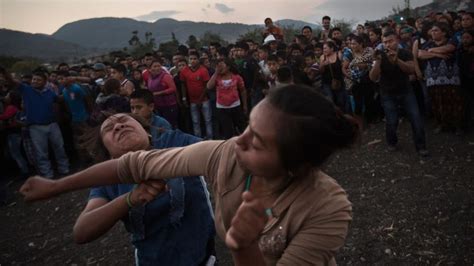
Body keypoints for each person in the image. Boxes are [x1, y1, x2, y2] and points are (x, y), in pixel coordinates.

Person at [21, 85, 357, 265]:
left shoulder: (327, 208)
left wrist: (242, 247)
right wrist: (56, 186)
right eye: (247, 126)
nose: (238, 141)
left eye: (257, 141)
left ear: (294, 166)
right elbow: (133, 165)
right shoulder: (224, 156)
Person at [74, 113, 215, 265]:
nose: (118, 126)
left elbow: (218, 153)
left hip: (205, 260)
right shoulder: (108, 181)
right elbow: (81, 231)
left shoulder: (175, 141)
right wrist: (130, 199)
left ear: (146, 132)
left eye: (124, 120)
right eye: (109, 128)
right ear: (109, 154)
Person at [369, 30, 429, 157]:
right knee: (392, 120)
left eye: (390, 41)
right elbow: (373, 78)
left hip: (406, 91)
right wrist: (378, 62)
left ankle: (421, 146)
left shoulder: (405, 53)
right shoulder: (380, 56)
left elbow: (411, 70)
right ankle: (391, 142)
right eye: (385, 42)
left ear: (397, 40)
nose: (388, 45)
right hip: (387, 93)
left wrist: (397, 61)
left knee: (416, 118)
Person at [18, 71, 70, 178]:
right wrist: (4, 73)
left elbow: (59, 99)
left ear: (45, 82)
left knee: (59, 147)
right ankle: (48, 175)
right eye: (34, 79)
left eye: (38, 80)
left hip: (52, 124)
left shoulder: (49, 92)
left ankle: (64, 169)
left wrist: (68, 89)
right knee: (41, 153)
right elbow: (13, 82)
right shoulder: (27, 90)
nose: (35, 81)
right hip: (35, 127)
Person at [207, 58, 248, 139]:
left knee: (241, 128)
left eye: (222, 65)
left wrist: (245, 105)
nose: (220, 68)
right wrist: (216, 73)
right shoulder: (217, 77)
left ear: (228, 67)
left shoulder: (236, 77)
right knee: (227, 131)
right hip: (222, 108)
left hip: (235, 105)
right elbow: (209, 86)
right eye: (219, 66)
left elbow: (243, 91)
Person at [180, 52, 213, 139]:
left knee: (208, 120)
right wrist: (184, 98)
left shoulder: (203, 70)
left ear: (198, 60)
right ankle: (197, 140)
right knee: (195, 121)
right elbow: (183, 85)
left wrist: (200, 99)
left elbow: (207, 86)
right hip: (192, 100)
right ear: (188, 60)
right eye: (191, 59)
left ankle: (210, 138)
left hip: (204, 100)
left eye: (195, 59)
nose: (193, 61)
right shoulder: (185, 71)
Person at [147, 59, 178, 128]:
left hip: (169, 105)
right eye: (154, 66)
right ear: (150, 68)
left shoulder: (165, 76)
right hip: (158, 106)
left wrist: (159, 93)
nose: (157, 68)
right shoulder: (150, 78)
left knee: (170, 125)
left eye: (159, 66)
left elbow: (173, 88)